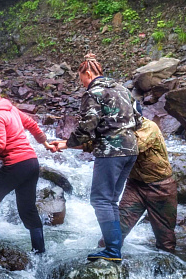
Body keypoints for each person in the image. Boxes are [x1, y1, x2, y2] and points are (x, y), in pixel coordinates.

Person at [49, 54, 140, 262]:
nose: (82, 83)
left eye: (81, 78)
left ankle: (112, 250)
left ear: (88, 73)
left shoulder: (94, 93)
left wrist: (69, 142)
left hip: (111, 152)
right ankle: (114, 247)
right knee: (111, 200)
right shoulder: (122, 89)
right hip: (131, 149)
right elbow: (138, 120)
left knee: (100, 200)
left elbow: (87, 126)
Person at [0, 80, 56, 254]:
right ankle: (39, 249)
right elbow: (31, 124)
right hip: (31, 163)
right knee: (27, 209)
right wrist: (45, 143)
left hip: (17, 164)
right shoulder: (10, 108)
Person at [114, 115, 178, 252]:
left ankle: (167, 264)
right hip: (135, 186)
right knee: (117, 230)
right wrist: (70, 143)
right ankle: (104, 258)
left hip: (161, 187)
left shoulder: (148, 126)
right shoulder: (113, 126)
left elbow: (133, 146)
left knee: (166, 242)